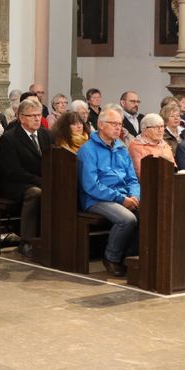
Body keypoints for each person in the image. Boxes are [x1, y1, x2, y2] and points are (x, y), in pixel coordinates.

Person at [78, 107, 140, 278]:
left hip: (122, 196)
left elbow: (132, 179)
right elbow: (91, 185)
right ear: (101, 125)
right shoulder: (88, 150)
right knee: (127, 219)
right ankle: (111, 258)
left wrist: (135, 195)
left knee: (149, 213)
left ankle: (132, 259)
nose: (118, 127)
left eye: (119, 124)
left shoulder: (121, 147)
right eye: (113, 124)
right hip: (96, 199)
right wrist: (121, 199)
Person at [0, 97, 47, 242]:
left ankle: (51, 239)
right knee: (36, 193)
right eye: (33, 116)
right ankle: (27, 242)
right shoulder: (9, 138)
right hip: (16, 184)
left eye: (39, 115)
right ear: (22, 117)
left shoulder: (46, 135)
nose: (37, 119)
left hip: (39, 180)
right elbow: (13, 171)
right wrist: (41, 181)